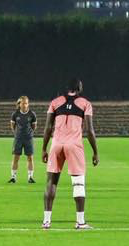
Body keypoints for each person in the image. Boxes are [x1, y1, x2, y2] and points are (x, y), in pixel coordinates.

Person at [41, 78, 98, 230]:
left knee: (51, 182)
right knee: (78, 183)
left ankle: (46, 221)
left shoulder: (55, 102)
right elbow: (89, 131)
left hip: (56, 144)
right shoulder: (85, 103)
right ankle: (80, 222)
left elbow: (48, 128)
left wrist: (44, 149)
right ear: (79, 88)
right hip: (74, 145)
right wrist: (95, 152)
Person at [8, 96, 37, 183]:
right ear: (19, 104)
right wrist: (17, 134)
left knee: (30, 158)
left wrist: (29, 134)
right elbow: (12, 125)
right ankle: (13, 177)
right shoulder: (15, 114)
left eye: (26, 103)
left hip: (28, 139)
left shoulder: (32, 114)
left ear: (28, 104)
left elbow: (34, 126)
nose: (25, 105)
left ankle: (30, 177)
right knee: (16, 158)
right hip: (18, 139)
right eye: (23, 103)